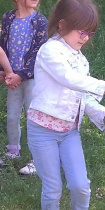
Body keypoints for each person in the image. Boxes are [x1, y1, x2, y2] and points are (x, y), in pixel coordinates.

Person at [27, 0, 105, 209]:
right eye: (82, 31)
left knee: (81, 186)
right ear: (62, 24)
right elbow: (68, 78)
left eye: (90, 33)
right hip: (42, 132)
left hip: (69, 133)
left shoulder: (81, 60)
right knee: (53, 188)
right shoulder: (50, 50)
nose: (86, 38)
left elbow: (83, 95)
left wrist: (104, 114)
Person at [0, 0, 48, 174]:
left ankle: (38, 159)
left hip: (31, 78)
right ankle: (13, 151)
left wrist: (21, 74)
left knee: (33, 117)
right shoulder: (8, 18)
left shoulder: (40, 20)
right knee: (12, 116)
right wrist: (4, 71)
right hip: (12, 78)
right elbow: (3, 45)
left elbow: (39, 51)